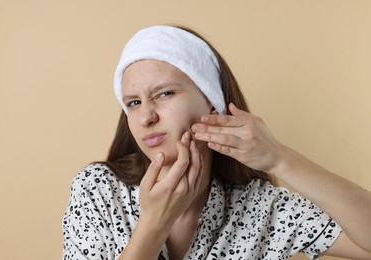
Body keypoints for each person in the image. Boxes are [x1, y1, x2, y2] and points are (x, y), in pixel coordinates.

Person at [62, 25, 371, 260]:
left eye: (165, 93)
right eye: (133, 102)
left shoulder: (260, 207)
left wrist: (280, 158)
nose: (146, 118)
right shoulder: (98, 190)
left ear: (212, 102)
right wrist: (154, 225)